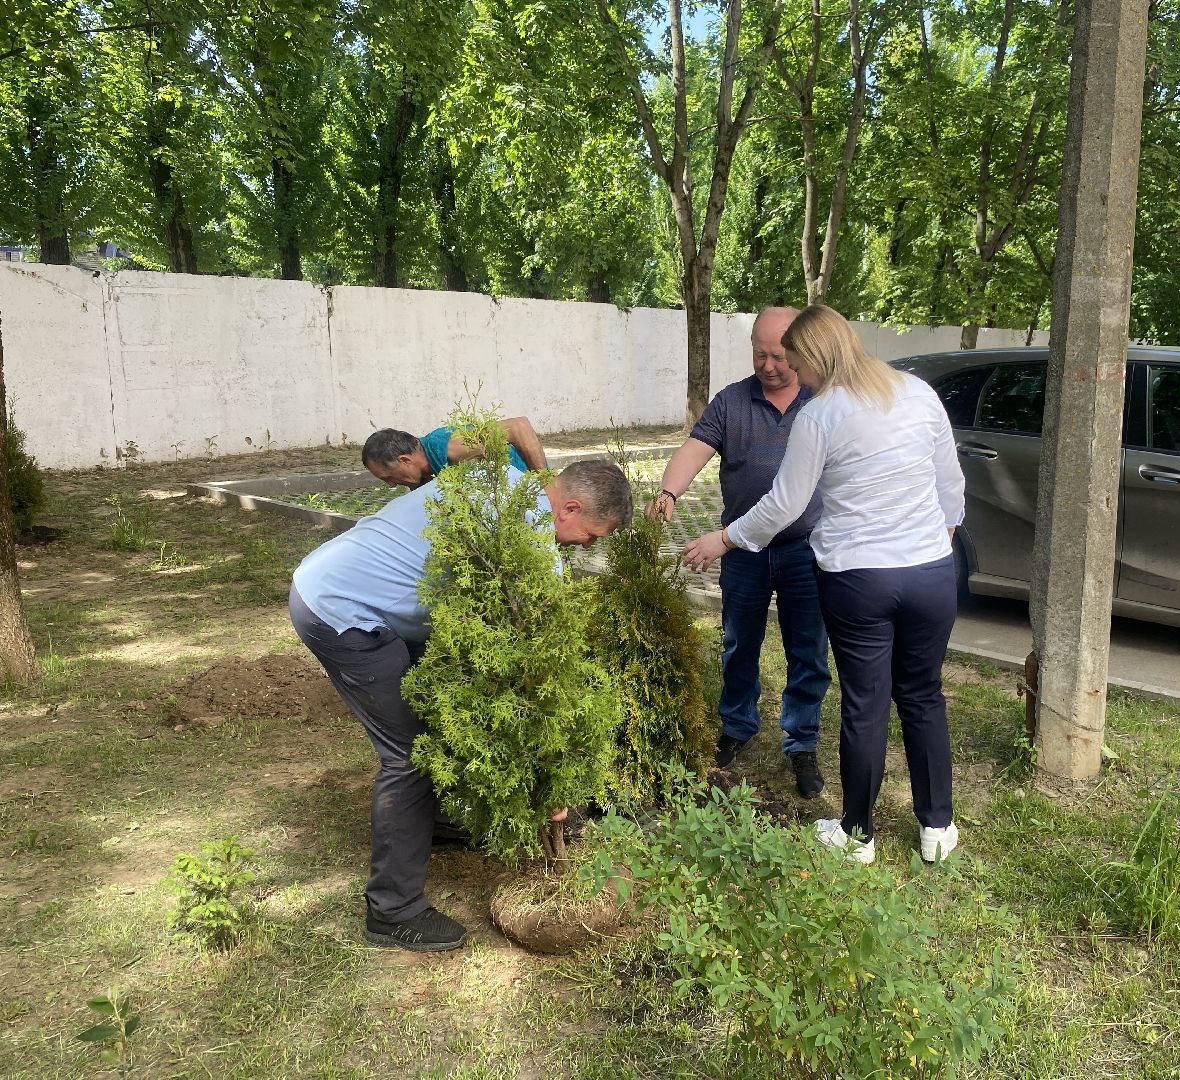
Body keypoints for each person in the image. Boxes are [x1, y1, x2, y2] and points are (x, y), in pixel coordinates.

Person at [290, 457, 633, 951]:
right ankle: (392, 911)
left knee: (442, 714)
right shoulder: (530, 545)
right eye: (593, 535)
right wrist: (545, 769)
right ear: (569, 508)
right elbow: (525, 674)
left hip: (351, 589)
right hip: (342, 609)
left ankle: (437, 823)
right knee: (408, 753)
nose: (589, 547)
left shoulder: (504, 481)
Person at [682, 304, 965, 865]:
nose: (793, 374)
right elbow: (949, 484)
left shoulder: (820, 414)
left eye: (795, 361)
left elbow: (784, 505)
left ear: (814, 356)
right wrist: (936, 541)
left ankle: (858, 836)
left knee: (866, 704)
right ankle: (937, 827)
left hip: (860, 580)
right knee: (923, 695)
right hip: (932, 573)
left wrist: (725, 539)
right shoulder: (917, 392)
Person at [648, 306, 832, 799]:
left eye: (779, 356)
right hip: (744, 550)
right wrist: (669, 491)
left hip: (805, 550)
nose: (769, 365)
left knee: (808, 651)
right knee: (738, 642)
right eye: (760, 353)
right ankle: (736, 726)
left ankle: (802, 743)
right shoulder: (731, 401)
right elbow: (695, 449)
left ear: (800, 352)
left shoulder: (823, 398)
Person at [362, 416, 548, 489]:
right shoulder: (422, 477)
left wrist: (546, 484)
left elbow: (519, 427)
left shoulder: (445, 447)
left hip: (526, 489)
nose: (392, 485)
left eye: (389, 477)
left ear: (404, 460)